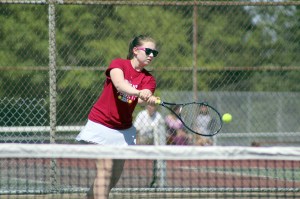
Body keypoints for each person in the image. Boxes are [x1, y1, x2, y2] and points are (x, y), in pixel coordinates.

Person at [76, 35, 160, 199]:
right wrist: (138, 92)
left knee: (113, 177)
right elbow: (120, 85)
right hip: (101, 124)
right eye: (148, 51)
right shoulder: (118, 64)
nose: (151, 55)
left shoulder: (149, 79)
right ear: (136, 50)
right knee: (105, 169)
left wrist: (146, 96)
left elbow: (144, 98)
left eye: (154, 53)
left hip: (124, 129)